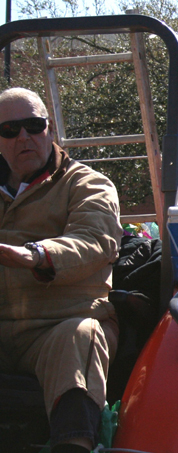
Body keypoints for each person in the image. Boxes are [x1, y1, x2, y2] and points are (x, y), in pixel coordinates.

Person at [0, 88, 123, 453]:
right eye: (10, 129)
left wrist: (36, 255)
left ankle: (75, 444)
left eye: (34, 125)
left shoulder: (86, 184)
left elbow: (96, 240)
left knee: (79, 336)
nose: (24, 137)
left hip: (58, 324)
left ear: (50, 130)